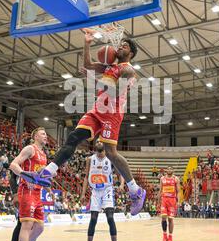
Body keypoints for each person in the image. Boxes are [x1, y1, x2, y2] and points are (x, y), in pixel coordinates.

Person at [23, 34, 146, 216]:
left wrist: (94, 79)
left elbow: (114, 91)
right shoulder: (109, 65)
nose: (120, 47)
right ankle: (48, 173)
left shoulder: (128, 71)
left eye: (125, 46)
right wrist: (87, 44)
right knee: (74, 137)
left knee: (111, 153)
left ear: (132, 53)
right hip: (97, 110)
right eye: (120, 45)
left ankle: (136, 191)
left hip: (112, 113)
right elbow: (88, 65)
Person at [9, 127, 50, 241]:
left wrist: (49, 189)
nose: (46, 136)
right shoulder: (30, 149)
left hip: (37, 193)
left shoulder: (43, 155)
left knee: (40, 227)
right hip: (26, 191)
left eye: (46, 133)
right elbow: (13, 164)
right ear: (35, 137)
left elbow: (41, 176)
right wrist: (25, 175)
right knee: (26, 225)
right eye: (43, 134)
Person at [80, 141, 124, 241]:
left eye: (101, 152)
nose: (99, 155)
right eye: (98, 153)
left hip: (107, 190)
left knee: (110, 217)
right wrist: (82, 194)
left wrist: (122, 184)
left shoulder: (110, 159)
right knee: (93, 218)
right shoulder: (90, 159)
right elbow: (86, 177)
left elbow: (120, 174)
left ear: (105, 150)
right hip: (95, 190)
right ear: (95, 150)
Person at [158, 167, 181, 241]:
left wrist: (178, 201)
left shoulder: (176, 179)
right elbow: (160, 190)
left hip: (172, 200)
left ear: (173, 171)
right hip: (164, 200)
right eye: (168, 169)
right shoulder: (162, 179)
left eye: (171, 169)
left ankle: (170, 237)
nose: (169, 170)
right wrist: (158, 200)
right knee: (163, 217)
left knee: (170, 219)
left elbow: (178, 191)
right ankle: (164, 237)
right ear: (166, 171)